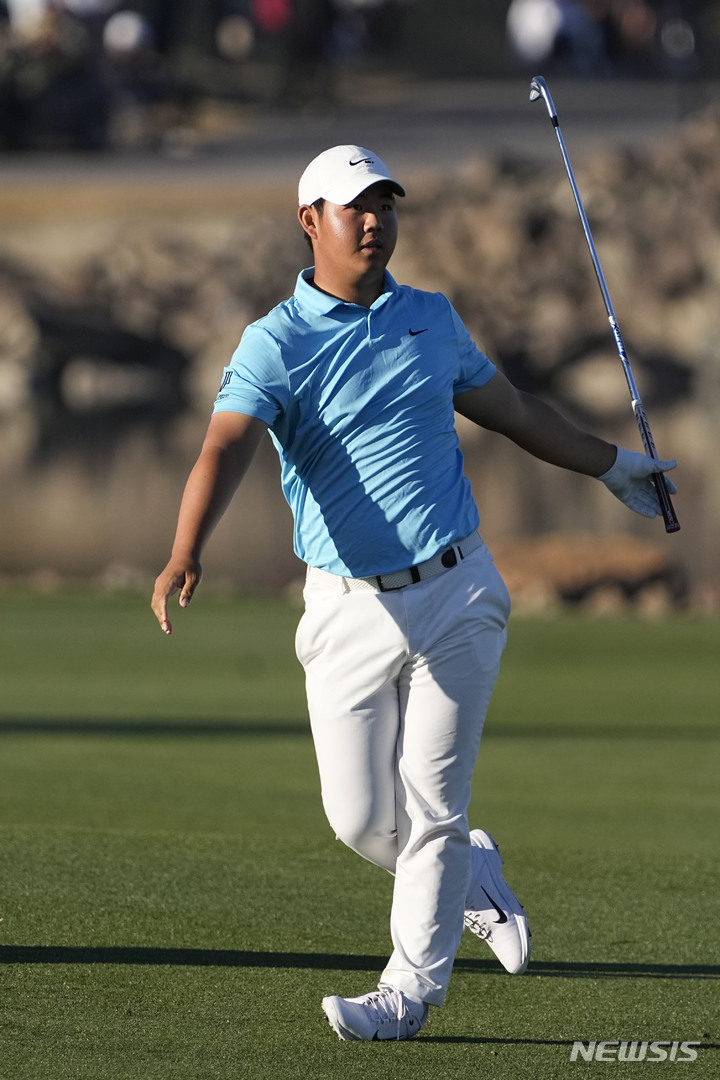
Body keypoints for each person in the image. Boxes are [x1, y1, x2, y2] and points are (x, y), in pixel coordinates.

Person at [151, 145, 677, 1042]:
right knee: (361, 820)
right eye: (356, 206)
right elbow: (224, 445)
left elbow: (514, 413)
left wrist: (613, 465)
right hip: (346, 607)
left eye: (386, 205)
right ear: (310, 221)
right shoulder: (276, 342)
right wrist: (184, 548)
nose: (375, 221)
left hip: (458, 592)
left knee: (434, 808)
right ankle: (472, 877)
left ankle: (407, 996)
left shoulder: (430, 317)